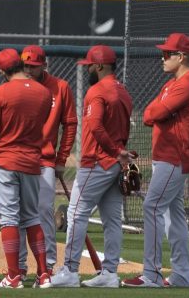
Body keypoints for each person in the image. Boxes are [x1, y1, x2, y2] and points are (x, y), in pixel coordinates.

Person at [123, 33, 189, 289]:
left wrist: (157, 112)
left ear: (181, 57)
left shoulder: (188, 82)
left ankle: (151, 274)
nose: (163, 57)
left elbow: (153, 113)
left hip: (175, 156)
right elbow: (150, 112)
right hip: (167, 156)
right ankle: (182, 275)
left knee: (152, 207)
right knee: (175, 215)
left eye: (168, 53)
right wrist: (156, 111)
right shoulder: (172, 83)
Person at [49, 44, 134, 289]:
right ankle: (109, 274)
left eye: (89, 66)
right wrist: (119, 154)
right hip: (115, 164)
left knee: (76, 213)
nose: (88, 70)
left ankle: (70, 271)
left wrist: (116, 152)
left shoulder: (97, 91)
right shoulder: (123, 90)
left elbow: (95, 126)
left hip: (97, 162)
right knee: (112, 221)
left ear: (99, 66)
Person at [0, 48, 53, 289]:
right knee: (32, 217)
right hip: (32, 161)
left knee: (9, 219)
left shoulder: (0, 92)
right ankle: (44, 274)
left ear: (2, 70)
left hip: (6, 160)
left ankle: (13, 276)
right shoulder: (43, 92)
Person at [17, 44, 77, 279]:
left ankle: (48, 264)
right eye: (26, 66)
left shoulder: (60, 87)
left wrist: (62, 158)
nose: (29, 70)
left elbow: (70, 124)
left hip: (45, 159)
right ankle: (19, 266)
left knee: (43, 211)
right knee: (19, 213)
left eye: (34, 66)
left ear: (44, 65)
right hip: (18, 158)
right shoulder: (16, 86)